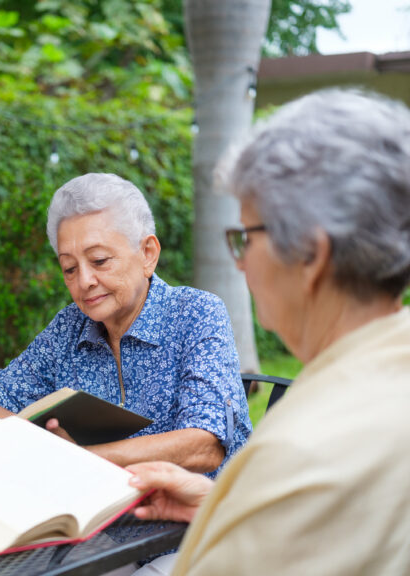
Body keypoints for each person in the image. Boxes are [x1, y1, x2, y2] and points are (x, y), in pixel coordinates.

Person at [126, 89, 410, 575]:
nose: (240, 264)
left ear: (310, 254)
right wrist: (224, 505)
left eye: (246, 237)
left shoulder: (304, 451)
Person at [0, 173, 251, 476]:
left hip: (192, 516)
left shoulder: (196, 313)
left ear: (147, 254)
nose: (84, 282)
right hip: (98, 514)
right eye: (69, 268)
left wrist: (80, 459)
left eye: (99, 261)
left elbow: (204, 444)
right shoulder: (69, 327)